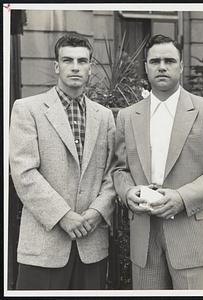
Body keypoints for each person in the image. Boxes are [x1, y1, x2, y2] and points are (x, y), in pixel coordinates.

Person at [113, 34, 203, 290]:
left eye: (169, 60)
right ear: (146, 67)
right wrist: (128, 191)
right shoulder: (127, 117)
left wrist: (182, 198)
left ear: (181, 66)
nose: (162, 66)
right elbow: (119, 169)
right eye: (155, 61)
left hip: (193, 237)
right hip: (144, 239)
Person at [9, 32, 116, 290]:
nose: (75, 67)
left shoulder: (104, 117)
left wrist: (97, 211)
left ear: (91, 67)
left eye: (82, 61)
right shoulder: (28, 109)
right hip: (44, 245)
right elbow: (24, 173)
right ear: (57, 67)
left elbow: (114, 173)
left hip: (92, 244)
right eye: (68, 60)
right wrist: (63, 215)